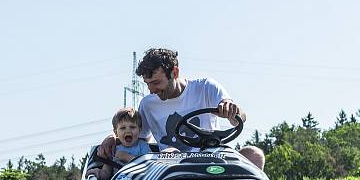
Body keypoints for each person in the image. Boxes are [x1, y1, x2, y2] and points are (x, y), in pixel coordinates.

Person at [92, 48, 265, 171]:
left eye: (156, 82)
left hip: (211, 159)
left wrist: (231, 110)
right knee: (170, 153)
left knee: (255, 155)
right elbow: (134, 137)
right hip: (171, 167)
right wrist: (112, 137)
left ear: (174, 72)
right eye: (147, 84)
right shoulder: (148, 104)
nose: (151, 90)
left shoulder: (205, 87)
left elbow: (239, 117)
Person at [87, 107, 152, 180]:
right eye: (123, 128)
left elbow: (149, 166)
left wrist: (128, 157)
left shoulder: (142, 146)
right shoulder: (113, 149)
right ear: (115, 132)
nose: (128, 131)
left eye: (132, 127)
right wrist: (97, 173)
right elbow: (106, 173)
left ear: (139, 130)